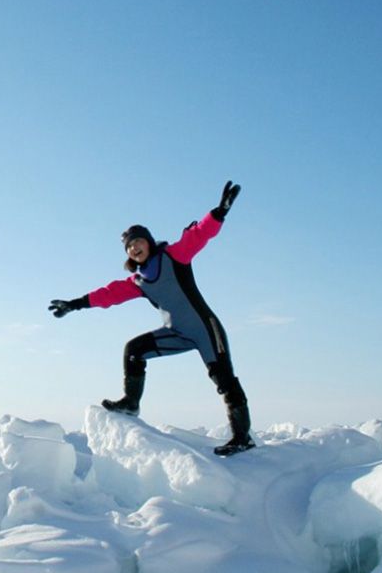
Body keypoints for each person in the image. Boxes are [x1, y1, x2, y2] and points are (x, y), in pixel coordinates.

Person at [48, 181, 255, 456]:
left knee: (224, 380)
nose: (134, 248)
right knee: (134, 350)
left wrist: (219, 212)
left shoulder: (174, 256)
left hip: (205, 329)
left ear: (148, 241)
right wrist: (75, 304)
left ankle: (242, 437)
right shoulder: (138, 281)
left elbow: (199, 235)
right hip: (176, 333)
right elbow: (109, 294)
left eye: (138, 241)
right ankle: (131, 402)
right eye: (129, 247)